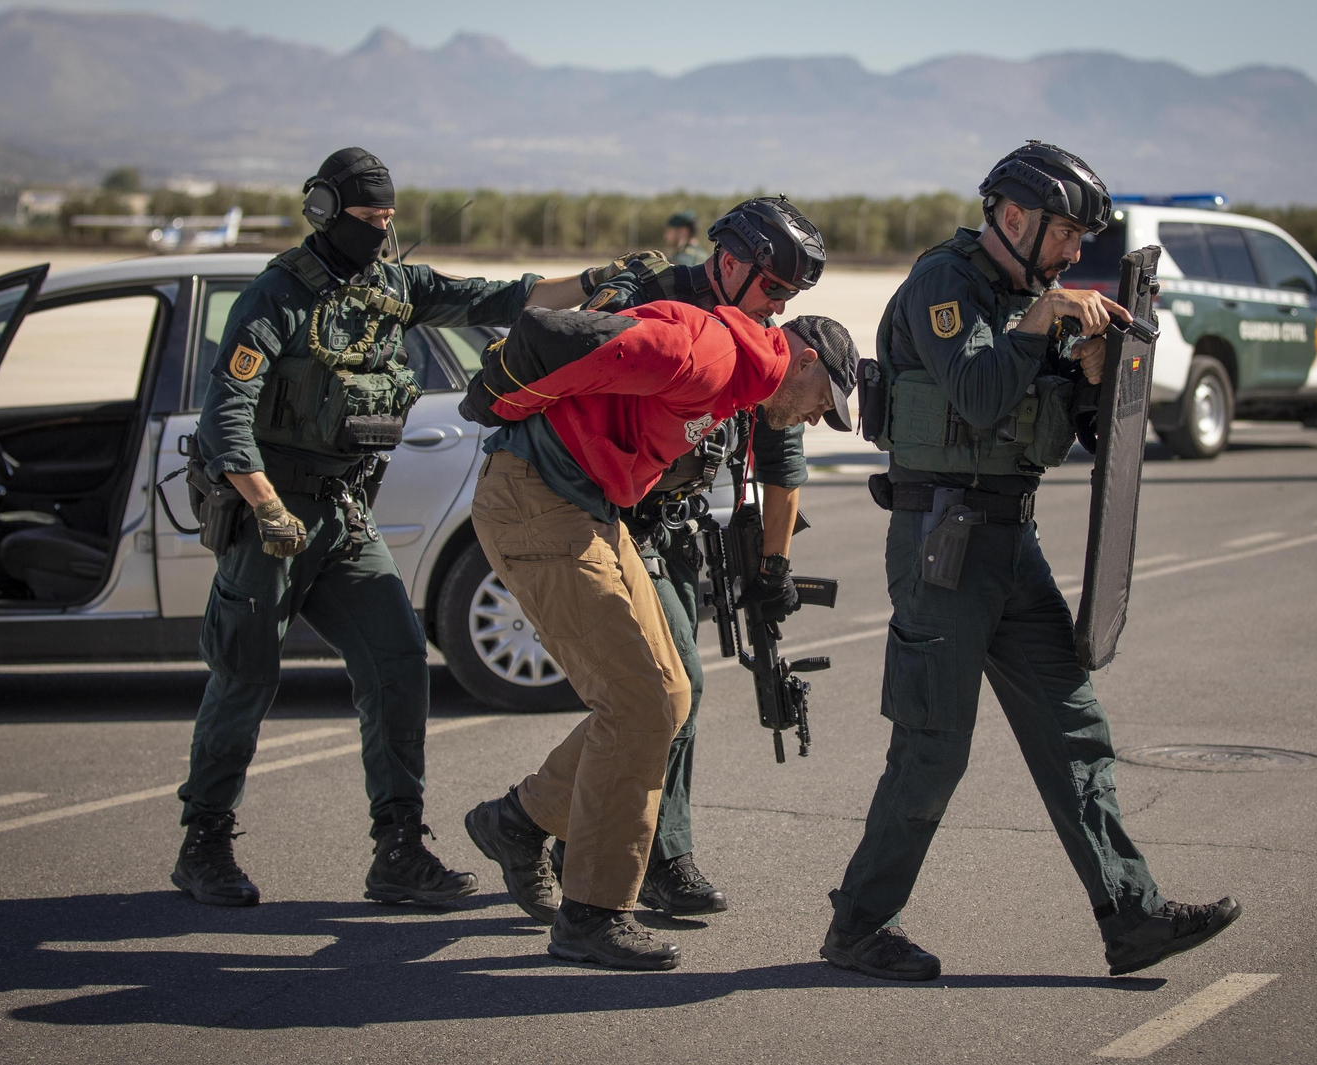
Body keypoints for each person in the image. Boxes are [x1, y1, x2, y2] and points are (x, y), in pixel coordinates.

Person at [174, 146, 641, 908]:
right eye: (366, 219)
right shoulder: (277, 297)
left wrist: (595, 283)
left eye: (389, 219)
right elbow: (225, 411)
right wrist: (263, 504)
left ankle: (398, 849)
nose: (380, 233)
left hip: (345, 516)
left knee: (397, 664)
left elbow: (504, 295)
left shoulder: (394, 286)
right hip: (274, 516)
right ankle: (204, 842)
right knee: (245, 675)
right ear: (325, 212)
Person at [821, 141, 1242, 982]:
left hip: (1012, 541)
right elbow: (978, 394)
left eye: (1081, 239)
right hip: (943, 543)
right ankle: (861, 926)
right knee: (934, 747)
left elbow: (1085, 433)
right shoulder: (946, 284)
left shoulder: (1034, 298)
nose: (1071, 254)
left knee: (1074, 725)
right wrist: (1047, 325)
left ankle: (1132, 916)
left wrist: (1091, 373)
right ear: (1013, 218)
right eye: (1062, 234)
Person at [460, 301, 859, 970]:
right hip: (539, 500)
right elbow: (563, 339)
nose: (820, 416)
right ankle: (593, 912)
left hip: (589, 506)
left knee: (670, 696)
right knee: (639, 702)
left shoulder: (746, 381)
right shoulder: (714, 354)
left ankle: (520, 820)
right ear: (807, 359)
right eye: (825, 400)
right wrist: (500, 404)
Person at [553, 195, 829, 918]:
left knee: (663, 696)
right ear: (732, 262)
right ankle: (656, 854)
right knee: (675, 688)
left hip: (678, 528)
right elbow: (573, 373)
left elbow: (781, 455)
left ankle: (543, 824)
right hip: (612, 512)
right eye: (773, 288)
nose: (778, 306)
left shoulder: (761, 336)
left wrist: (773, 569)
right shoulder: (651, 299)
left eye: (789, 297)